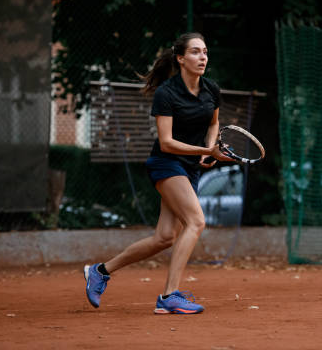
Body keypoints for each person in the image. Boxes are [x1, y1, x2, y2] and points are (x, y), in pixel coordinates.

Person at [84, 32, 233, 314]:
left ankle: (100, 271)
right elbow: (166, 142)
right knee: (196, 221)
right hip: (166, 163)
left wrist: (208, 147)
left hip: (189, 167)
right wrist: (204, 152)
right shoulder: (167, 93)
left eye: (205, 52)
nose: (203, 57)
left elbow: (214, 123)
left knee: (164, 237)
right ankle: (169, 296)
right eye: (195, 52)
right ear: (180, 59)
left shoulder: (211, 89)